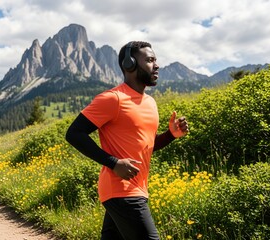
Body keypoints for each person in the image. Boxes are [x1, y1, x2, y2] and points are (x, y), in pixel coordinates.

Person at [65, 41, 189, 240]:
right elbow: (74, 133)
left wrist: (170, 135)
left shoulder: (150, 102)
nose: (156, 65)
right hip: (122, 190)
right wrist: (113, 163)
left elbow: (145, 147)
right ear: (129, 64)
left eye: (156, 60)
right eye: (149, 60)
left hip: (136, 189)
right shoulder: (113, 99)